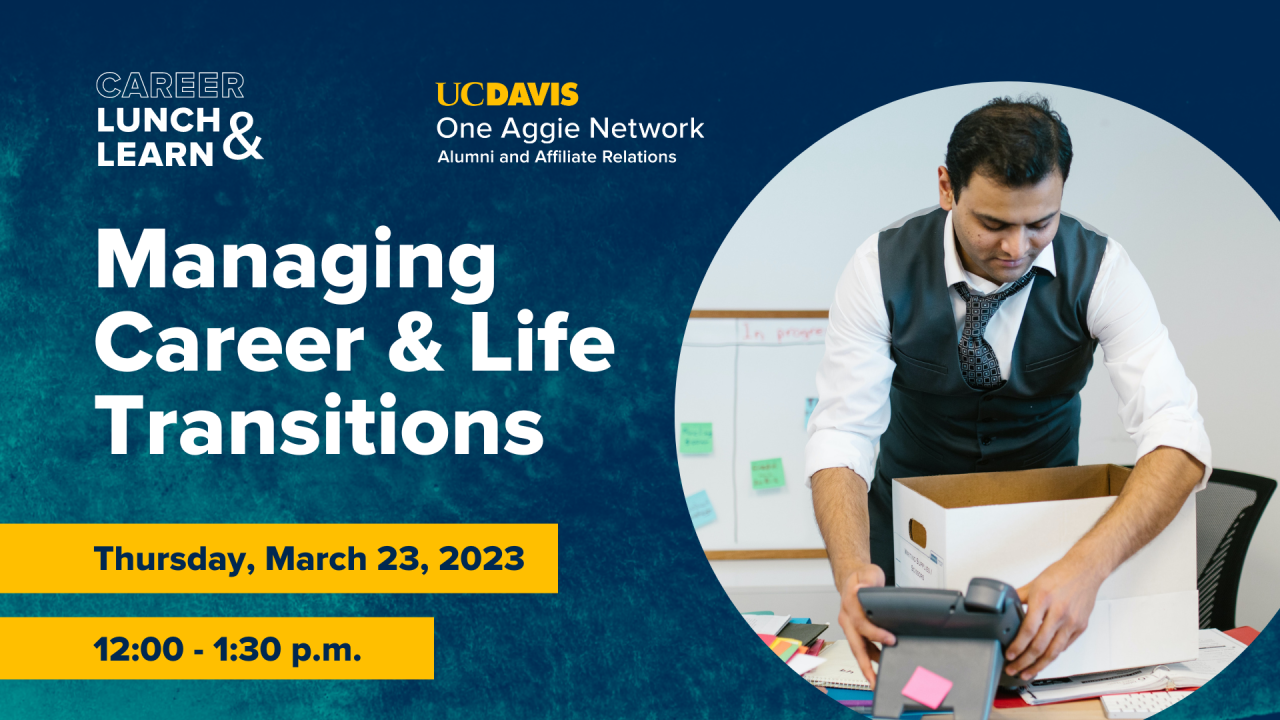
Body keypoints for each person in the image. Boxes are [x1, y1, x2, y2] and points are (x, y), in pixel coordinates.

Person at [805, 96, 1210, 687]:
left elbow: (1178, 435)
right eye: (992, 223)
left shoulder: (1104, 271)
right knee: (918, 696)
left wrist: (1086, 570)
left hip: (1048, 559)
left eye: (1040, 223)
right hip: (908, 552)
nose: (1016, 248)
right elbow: (842, 432)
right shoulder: (877, 267)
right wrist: (850, 572)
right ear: (948, 188)